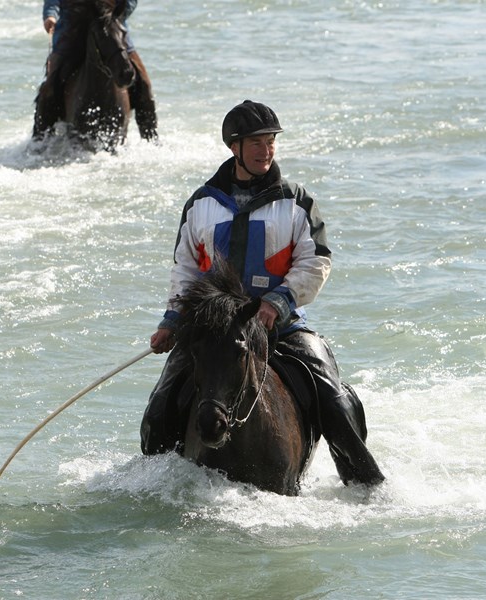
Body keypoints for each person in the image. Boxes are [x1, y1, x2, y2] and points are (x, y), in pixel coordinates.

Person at [140, 100, 385, 487]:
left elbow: (316, 260)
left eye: (270, 141)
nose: (265, 150)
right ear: (234, 148)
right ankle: (154, 484)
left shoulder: (296, 201)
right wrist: (173, 321)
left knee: (333, 397)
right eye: (255, 142)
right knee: (159, 409)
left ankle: (366, 485)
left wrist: (278, 302)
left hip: (280, 324)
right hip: (214, 331)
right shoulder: (201, 204)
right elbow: (185, 271)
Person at [33, 0, 157, 141]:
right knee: (49, 87)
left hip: (110, 25)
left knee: (144, 83)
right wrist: (50, 15)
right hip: (72, 26)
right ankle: (39, 143)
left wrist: (116, 14)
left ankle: (150, 138)